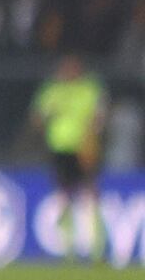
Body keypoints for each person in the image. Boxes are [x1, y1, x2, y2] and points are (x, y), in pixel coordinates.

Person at [35, 46, 108, 266]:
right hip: (60, 149)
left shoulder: (89, 89)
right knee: (64, 195)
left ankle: (96, 249)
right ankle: (68, 250)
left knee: (89, 194)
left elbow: (100, 116)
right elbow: (38, 117)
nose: (69, 70)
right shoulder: (53, 90)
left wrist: (92, 138)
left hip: (84, 148)